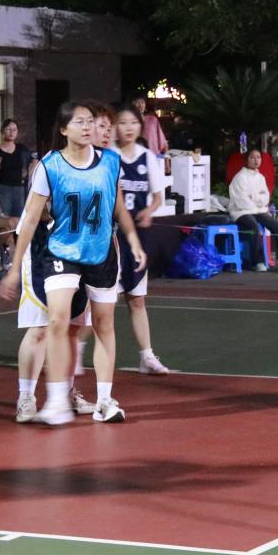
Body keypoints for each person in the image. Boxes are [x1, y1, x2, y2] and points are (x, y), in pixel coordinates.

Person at [0, 101, 147, 425]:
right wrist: (14, 267)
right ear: (64, 129)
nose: (89, 127)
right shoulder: (49, 166)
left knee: (96, 325)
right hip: (58, 251)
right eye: (81, 122)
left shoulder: (110, 162)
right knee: (53, 321)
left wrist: (133, 241)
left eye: (93, 122)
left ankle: (102, 400)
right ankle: (44, 399)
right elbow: (30, 218)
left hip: (99, 253)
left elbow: (118, 207)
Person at [12, 205, 94, 422]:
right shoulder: (44, 180)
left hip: (77, 245)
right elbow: (40, 209)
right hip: (42, 246)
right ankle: (26, 396)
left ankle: (66, 393)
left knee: (72, 327)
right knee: (39, 328)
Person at [114, 104, 176, 374]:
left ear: (140, 127)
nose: (128, 127)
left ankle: (147, 357)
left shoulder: (148, 157)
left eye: (133, 122)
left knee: (137, 299)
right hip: (111, 237)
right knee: (102, 304)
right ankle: (75, 350)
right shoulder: (109, 157)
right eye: (122, 122)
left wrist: (148, 212)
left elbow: (158, 198)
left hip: (138, 236)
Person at [228, 148, 278, 272]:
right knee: (254, 227)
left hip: (259, 211)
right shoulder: (240, 177)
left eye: (258, 157)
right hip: (241, 212)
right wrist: (257, 200)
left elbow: (265, 198)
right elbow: (242, 201)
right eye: (252, 157)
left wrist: (254, 198)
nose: (256, 160)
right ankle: (257, 262)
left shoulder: (260, 177)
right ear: (247, 159)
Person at [0, 119, 34, 218]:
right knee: (4, 217)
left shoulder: (22, 149)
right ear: (2, 131)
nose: (12, 132)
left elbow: (34, 160)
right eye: (8, 129)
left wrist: (28, 175)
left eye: (14, 129)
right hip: (2, 187)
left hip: (20, 188)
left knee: (19, 218)